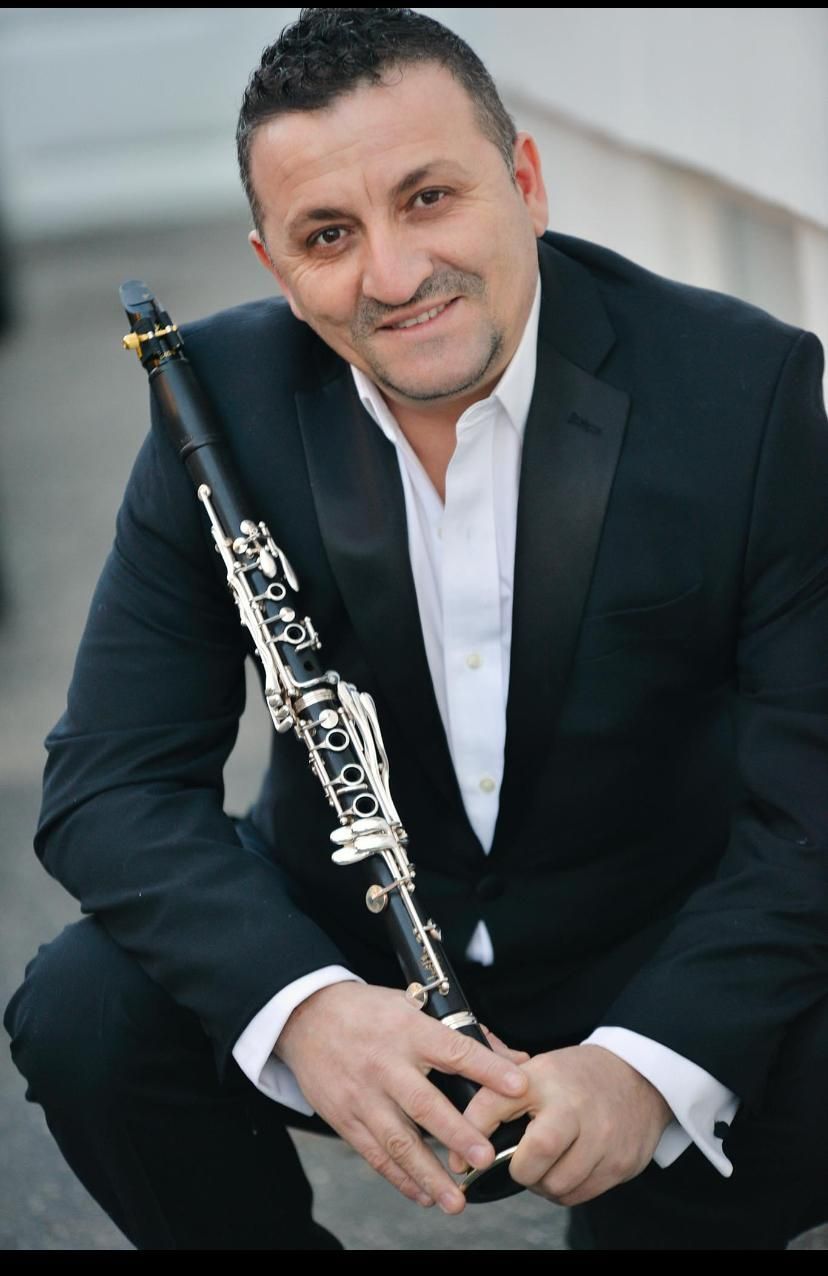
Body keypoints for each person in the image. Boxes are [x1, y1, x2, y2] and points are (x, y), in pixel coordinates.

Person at [5, 6, 828, 1252]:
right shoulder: (210, 404)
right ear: (274, 263)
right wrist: (309, 1005)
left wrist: (650, 1064)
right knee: (82, 1008)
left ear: (526, 182)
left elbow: (809, 799)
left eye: (430, 197)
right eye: (328, 235)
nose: (392, 276)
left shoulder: (742, 391)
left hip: (650, 935)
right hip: (356, 949)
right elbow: (107, 786)